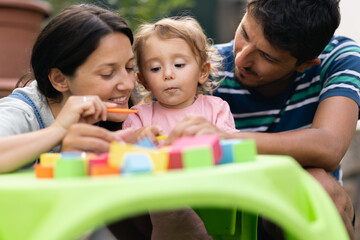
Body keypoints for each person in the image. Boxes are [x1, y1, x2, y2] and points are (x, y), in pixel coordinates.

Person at [167, 0, 360, 239]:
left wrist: (226, 139)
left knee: (320, 187)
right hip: (225, 210)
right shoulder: (205, 69)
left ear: (305, 64)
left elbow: (329, 146)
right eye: (245, 33)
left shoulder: (340, 58)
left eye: (267, 57)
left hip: (298, 213)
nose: (241, 59)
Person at [0, 4, 137, 173]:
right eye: (107, 73)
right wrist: (59, 130)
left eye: (130, 67)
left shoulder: (127, 119)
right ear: (59, 79)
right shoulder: (19, 113)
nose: (129, 84)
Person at [122, 16, 239, 143]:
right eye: (155, 68)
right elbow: (122, 153)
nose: (167, 74)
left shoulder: (217, 109)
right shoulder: (138, 117)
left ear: (203, 71)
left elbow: (233, 148)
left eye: (179, 65)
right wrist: (137, 140)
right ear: (144, 81)